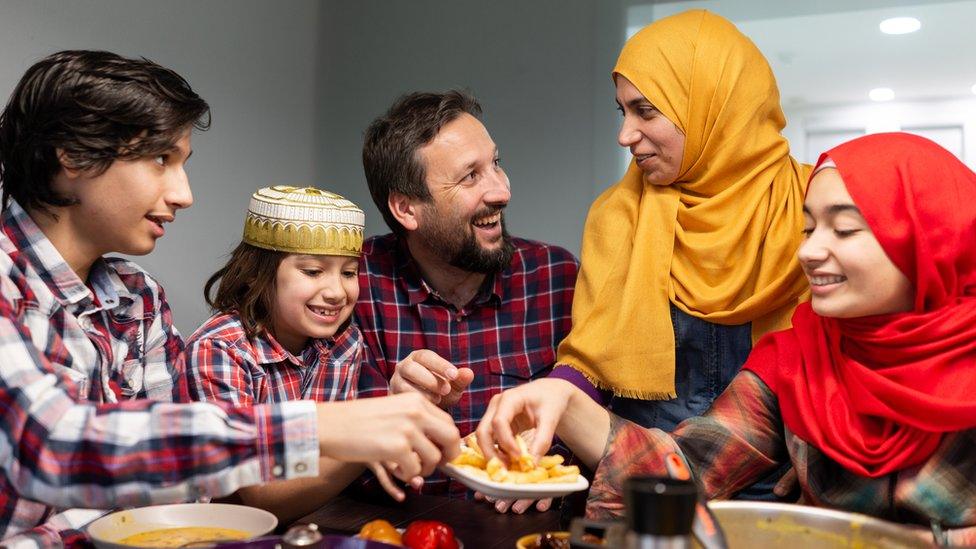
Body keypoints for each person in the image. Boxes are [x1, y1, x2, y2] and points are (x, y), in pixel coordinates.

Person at [0, 50, 458, 546]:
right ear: (71, 155)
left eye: (183, 163)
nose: (184, 194)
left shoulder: (138, 299)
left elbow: (176, 477)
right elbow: (53, 444)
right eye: (161, 159)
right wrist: (323, 426)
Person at [477, 132, 976, 545]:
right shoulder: (798, 358)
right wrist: (565, 403)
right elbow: (686, 469)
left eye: (844, 230)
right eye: (807, 229)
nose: (810, 252)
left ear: (929, 242)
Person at [550, 9, 810, 439]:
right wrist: (537, 422)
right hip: (641, 476)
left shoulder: (813, 205)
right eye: (622, 112)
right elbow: (587, 364)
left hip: (773, 483)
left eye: (645, 111)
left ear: (712, 105)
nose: (625, 134)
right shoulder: (618, 214)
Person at [356, 90, 578, 501]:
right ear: (406, 209)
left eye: (496, 163)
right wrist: (387, 412)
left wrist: (548, 472)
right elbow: (338, 459)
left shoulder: (557, 277)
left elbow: (599, 422)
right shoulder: (353, 285)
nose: (501, 192)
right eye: (470, 176)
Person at [184, 186, 376, 522]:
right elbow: (259, 496)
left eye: (349, 272)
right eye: (313, 271)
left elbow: (325, 457)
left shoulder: (346, 344)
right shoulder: (220, 350)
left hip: (312, 523)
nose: (336, 292)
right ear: (259, 273)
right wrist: (373, 441)